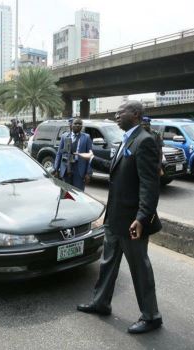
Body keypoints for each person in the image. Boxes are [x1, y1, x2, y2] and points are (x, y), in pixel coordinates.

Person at [76, 101, 163, 334]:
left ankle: (152, 316)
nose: (116, 115)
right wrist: (92, 158)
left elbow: (149, 184)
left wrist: (143, 217)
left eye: (120, 112)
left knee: (139, 269)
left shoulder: (144, 141)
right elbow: (117, 169)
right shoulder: (126, 139)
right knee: (107, 263)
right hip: (115, 218)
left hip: (132, 221)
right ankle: (101, 302)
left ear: (134, 114)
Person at [54, 118, 92, 191]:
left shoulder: (86, 137)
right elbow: (59, 153)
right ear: (71, 125)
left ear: (82, 126)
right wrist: (56, 168)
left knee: (78, 192)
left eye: (80, 124)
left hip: (79, 169)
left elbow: (90, 156)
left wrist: (88, 173)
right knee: (66, 192)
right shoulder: (64, 136)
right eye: (75, 124)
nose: (77, 125)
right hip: (65, 168)